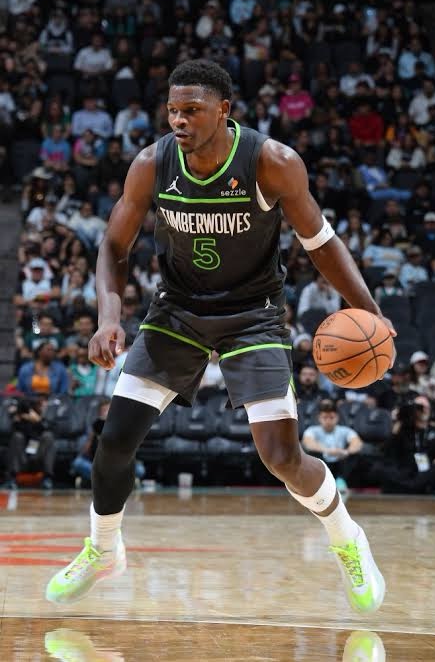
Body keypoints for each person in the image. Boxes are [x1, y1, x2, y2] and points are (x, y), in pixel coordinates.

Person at [46, 59, 395, 613]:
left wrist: (370, 312)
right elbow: (113, 246)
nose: (179, 121)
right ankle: (103, 549)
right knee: (114, 440)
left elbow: (321, 243)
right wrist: (109, 317)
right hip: (178, 311)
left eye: (192, 110)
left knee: (281, 457)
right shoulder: (152, 164)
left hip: (253, 314)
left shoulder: (272, 162)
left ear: (224, 111)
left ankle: (348, 539)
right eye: (173, 111)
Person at [71, 400, 145, 488]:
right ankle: (114, 482)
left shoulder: (121, 426)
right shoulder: (94, 427)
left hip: (118, 467)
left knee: (139, 469)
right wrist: (93, 436)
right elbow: (85, 452)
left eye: (109, 411)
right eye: (104, 411)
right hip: (97, 467)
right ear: (99, 413)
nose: (107, 413)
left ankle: (101, 481)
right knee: (78, 463)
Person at [302, 400, 363, 493]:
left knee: (355, 455)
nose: (328, 420)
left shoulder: (345, 430)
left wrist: (346, 452)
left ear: (337, 417)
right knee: (311, 453)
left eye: (331, 417)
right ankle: (320, 482)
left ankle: (341, 480)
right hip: (322, 463)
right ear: (319, 418)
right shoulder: (312, 430)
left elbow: (357, 443)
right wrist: (327, 450)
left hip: (339, 463)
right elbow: (308, 443)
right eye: (325, 417)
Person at [3, 398, 56, 490]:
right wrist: (18, 416)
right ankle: (12, 479)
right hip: (22, 453)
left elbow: (51, 429)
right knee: (17, 437)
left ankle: (47, 478)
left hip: (38, 451)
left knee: (48, 437)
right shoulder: (18, 417)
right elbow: (7, 430)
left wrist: (38, 420)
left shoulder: (45, 417)